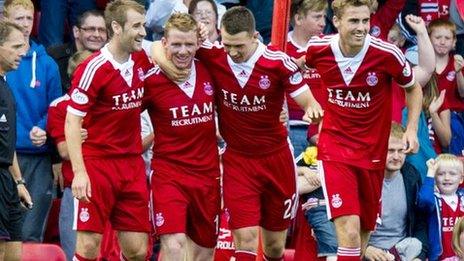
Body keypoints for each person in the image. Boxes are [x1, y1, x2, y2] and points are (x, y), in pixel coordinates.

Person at [152, 6, 323, 260]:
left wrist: (312, 110)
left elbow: (310, 102)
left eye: (238, 46)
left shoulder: (278, 63)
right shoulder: (216, 55)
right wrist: (170, 64)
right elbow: (158, 47)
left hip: (276, 159)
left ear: (255, 36)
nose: (232, 52)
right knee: (245, 238)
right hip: (238, 161)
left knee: (275, 246)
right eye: (227, 44)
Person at [302, 0, 423, 259]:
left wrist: (411, 129)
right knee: (350, 231)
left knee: (364, 234)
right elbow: (293, 69)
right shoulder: (318, 48)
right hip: (334, 150)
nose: (361, 28)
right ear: (336, 22)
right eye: (354, 21)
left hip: (372, 153)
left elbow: (413, 87)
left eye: (365, 21)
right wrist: (309, 102)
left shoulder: (387, 54)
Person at [64, 0, 152, 260]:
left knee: (137, 250)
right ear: (116, 27)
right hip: (99, 165)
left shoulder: (141, 60)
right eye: (136, 26)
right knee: (89, 245)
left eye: (144, 25)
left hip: (131, 164)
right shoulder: (93, 68)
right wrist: (79, 173)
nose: (143, 32)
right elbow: (72, 121)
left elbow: (166, 49)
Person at [144, 13, 220, 260]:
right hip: (169, 174)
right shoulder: (151, 79)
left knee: (204, 252)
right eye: (176, 44)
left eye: (189, 44)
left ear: (198, 43)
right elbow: (120, 111)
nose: (183, 51)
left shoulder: (211, 69)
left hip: (207, 175)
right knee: (174, 244)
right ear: (164, 43)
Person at [3, 0, 62, 243]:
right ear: (5, 21)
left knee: (31, 234)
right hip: (6, 157)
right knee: (6, 233)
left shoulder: (46, 63)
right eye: (19, 19)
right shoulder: (5, 62)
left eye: (29, 19)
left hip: (38, 158)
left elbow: (57, 107)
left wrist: (44, 127)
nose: (25, 25)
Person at [47, 50, 91, 260]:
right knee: (74, 252)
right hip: (76, 190)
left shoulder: (112, 104)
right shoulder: (60, 106)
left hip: (110, 184)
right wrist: (75, 135)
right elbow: (64, 151)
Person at [365, 123, 428, 261]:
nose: (396, 156)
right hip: (370, 251)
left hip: (403, 251)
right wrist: (365, 250)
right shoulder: (364, 177)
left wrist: (420, 257)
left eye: (401, 150)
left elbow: (421, 222)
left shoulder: (411, 175)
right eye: (390, 150)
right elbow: (345, 223)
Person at [0, 20, 31, 261]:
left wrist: (18, 181)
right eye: (16, 46)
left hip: (7, 183)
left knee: (13, 254)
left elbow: (6, 142)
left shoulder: (5, 86)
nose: (24, 52)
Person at [286, 0, 327, 154]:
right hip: (294, 127)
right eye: (317, 17)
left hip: (325, 128)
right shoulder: (279, 47)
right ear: (298, 19)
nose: (323, 23)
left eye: (324, 17)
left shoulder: (329, 46)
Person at [47, 9, 108, 93]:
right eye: (90, 29)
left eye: (101, 30)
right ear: (76, 32)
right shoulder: (54, 57)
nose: (97, 35)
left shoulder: (111, 60)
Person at [418, 154, 464, 260]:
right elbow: (424, 200)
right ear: (435, 177)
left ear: (461, 179)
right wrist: (430, 173)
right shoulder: (434, 200)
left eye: (452, 174)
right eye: (441, 174)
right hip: (439, 257)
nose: (447, 178)